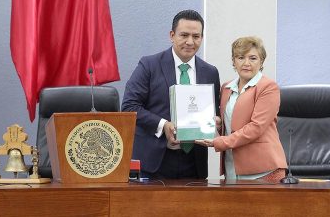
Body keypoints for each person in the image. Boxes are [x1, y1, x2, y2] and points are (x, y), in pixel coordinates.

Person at [121, 10, 220, 179]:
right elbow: (129, 106)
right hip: (155, 162)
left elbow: (214, 111)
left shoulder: (210, 72)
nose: (190, 42)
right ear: (172, 35)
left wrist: (216, 121)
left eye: (196, 36)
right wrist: (163, 125)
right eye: (184, 35)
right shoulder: (149, 65)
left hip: (194, 164)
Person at [196, 36, 287, 183]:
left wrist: (218, 142)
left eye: (253, 58)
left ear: (261, 61)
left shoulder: (268, 87)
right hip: (232, 167)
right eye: (240, 57)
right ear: (233, 61)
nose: (246, 63)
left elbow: (256, 127)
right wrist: (219, 124)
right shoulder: (226, 87)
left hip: (262, 169)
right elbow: (230, 123)